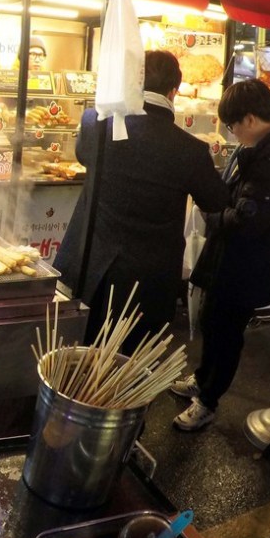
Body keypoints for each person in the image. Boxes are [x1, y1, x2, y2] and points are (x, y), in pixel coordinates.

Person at [54, 50, 229, 355]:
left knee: (76, 357)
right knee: (132, 365)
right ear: (174, 92)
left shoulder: (96, 123)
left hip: (90, 268)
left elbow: (83, 156)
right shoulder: (190, 150)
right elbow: (216, 201)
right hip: (149, 280)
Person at [171, 78, 270, 431]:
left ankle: (207, 401)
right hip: (233, 260)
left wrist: (210, 213)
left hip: (247, 265)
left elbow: (246, 222)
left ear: (250, 119)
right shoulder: (266, 150)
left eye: (234, 125)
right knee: (212, 321)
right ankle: (204, 379)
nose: (233, 133)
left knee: (226, 331)